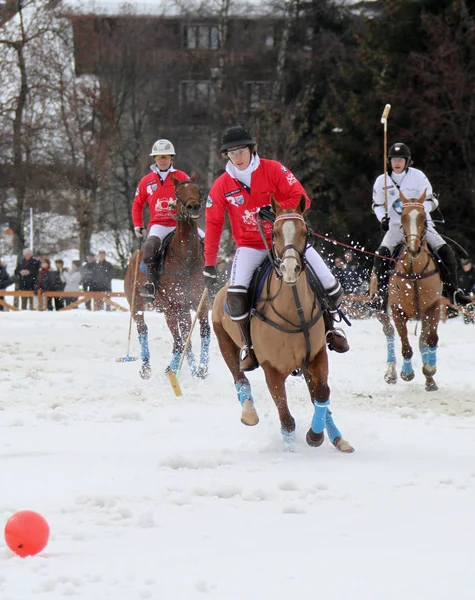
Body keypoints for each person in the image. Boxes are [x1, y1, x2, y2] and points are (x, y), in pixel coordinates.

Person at [203, 125, 349, 372]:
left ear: (251, 149)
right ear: (226, 156)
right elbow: (214, 223)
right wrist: (208, 262)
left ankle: (330, 330)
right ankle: (249, 346)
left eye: (241, 151)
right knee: (236, 295)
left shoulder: (273, 169)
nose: (237, 157)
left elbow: (302, 197)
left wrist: (278, 210)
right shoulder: (221, 185)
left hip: (286, 242)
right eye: (231, 153)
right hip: (250, 246)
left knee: (330, 284)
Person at [371, 142, 472, 309]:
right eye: (394, 159)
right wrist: (383, 219)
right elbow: (377, 205)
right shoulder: (381, 181)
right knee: (381, 255)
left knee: (446, 252)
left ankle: (453, 292)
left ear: (407, 161)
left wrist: (417, 210)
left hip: (421, 225)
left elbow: (432, 200)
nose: (397, 163)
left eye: (401, 159)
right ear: (389, 161)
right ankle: (381, 296)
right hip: (396, 226)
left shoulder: (418, 177)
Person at [131, 139, 198, 299]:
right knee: (149, 247)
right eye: (159, 157)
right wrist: (138, 225)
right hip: (159, 225)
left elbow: (192, 196)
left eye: (166, 156)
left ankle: (207, 279)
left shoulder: (181, 176)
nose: (162, 160)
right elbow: (137, 204)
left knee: (204, 241)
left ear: (171, 158)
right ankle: (151, 284)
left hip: (180, 223)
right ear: (154, 159)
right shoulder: (146, 181)